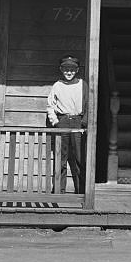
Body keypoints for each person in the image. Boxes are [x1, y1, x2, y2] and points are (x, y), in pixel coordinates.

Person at [46, 55, 88, 194]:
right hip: (62, 121)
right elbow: (50, 106)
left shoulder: (82, 84)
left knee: (79, 158)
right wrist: (56, 122)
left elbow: (89, 104)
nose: (69, 72)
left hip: (77, 123)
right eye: (66, 69)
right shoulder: (57, 85)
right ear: (61, 69)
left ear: (76, 70)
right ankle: (59, 189)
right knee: (60, 157)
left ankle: (81, 190)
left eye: (72, 69)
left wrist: (84, 122)